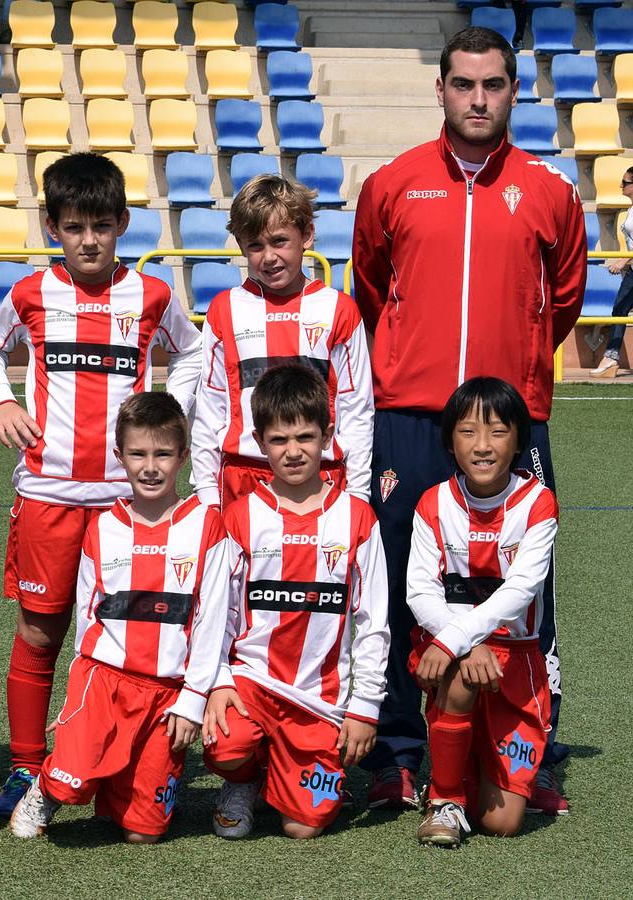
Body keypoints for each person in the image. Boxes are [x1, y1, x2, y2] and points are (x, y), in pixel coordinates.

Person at [351, 25, 585, 814]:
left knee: (528, 585)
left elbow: (558, 305)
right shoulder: (391, 184)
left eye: (492, 84)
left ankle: (534, 749)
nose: (477, 98)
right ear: (441, 88)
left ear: (514, 90)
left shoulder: (552, 193)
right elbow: (374, 289)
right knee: (389, 577)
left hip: (509, 420)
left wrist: (509, 378)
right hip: (410, 414)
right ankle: (397, 749)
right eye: (463, 83)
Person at [0, 152, 203, 814]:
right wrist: (1, 402)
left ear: (122, 225)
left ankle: (111, 757)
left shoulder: (152, 295)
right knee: (41, 632)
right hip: (48, 495)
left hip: (125, 504)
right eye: (74, 226)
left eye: (100, 226)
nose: (87, 240)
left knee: (117, 635)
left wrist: (171, 418)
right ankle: (25, 765)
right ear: (53, 226)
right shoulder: (28, 293)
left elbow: (192, 352)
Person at [8, 392, 233, 843]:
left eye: (163, 453)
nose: (150, 466)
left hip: (166, 692)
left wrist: (192, 699)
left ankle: (119, 783)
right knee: (71, 783)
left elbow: (212, 623)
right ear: (119, 456)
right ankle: (47, 789)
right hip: (105, 682)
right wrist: (78, 697)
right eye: (138, 453)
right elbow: (89, 620)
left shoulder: (207, 525)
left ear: (184, 457)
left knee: (142, 833)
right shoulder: (103, 527)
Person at [202, 365, 389, 840]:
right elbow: (217, 616)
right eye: (279, 439)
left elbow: (373, 622)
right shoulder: (240, 517)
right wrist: (219, 683)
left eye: (305, 437)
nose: (293, 451)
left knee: (305, 826)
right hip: (253, 682)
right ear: (259, 442)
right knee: (226, 744)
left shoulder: (357, 517)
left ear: (327, 436)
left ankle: (283, 771)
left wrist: (365, 707)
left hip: (318, 698)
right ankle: (242, 779)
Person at [408, 377, 557, 848]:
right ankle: (444, 798)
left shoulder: (537, 503)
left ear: (518, 440)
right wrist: (462, 644)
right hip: (454, 653)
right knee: (459, 674)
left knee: (503, 822)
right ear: (451, 440)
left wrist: (457, 637)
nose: (483, 445)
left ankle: (462, 760)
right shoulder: (433, 502)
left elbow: (521, 590)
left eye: (497, 431)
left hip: (515, 656)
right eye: (468, 431)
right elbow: (419, 592)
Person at [191, 174, 373, 508]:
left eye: (279, 241)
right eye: (255, 246)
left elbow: (357, 408)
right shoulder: (224, 310)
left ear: (307, 235)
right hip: (243, 476)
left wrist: (359, 491)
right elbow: (210, 407)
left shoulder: (339, 309)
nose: (269, 257)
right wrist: (205, 491)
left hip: (322, 477)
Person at [590, 166, 633, 378]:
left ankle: (611, 357)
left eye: (625, 183)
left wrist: (623, 260)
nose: (621, 186)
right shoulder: (630, 210)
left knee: (620, 310)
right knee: (619, 311)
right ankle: (611, 357)